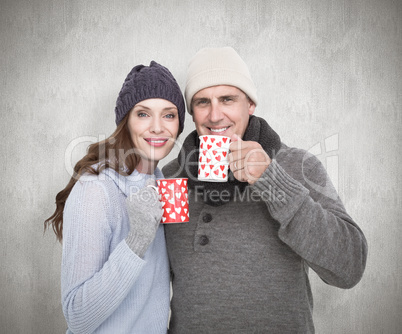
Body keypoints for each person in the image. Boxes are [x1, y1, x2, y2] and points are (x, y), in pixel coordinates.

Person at [162, 47, 368, 333]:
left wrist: (272, 181)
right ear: (192, 112)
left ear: (250, 105)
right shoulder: (171, 179)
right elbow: (158, 279)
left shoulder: (299, 166)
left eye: (227, 99)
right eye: (202, 102)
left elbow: (349, 267)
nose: (214, 114)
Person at [44, 61, 185, 333]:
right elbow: (77, 317)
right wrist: (136, 242)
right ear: (126, 122)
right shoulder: (95, 189)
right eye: (143, 114)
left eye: (169, 115)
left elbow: (171, 279)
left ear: (179, 125)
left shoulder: (165, 183)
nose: (158, 127)